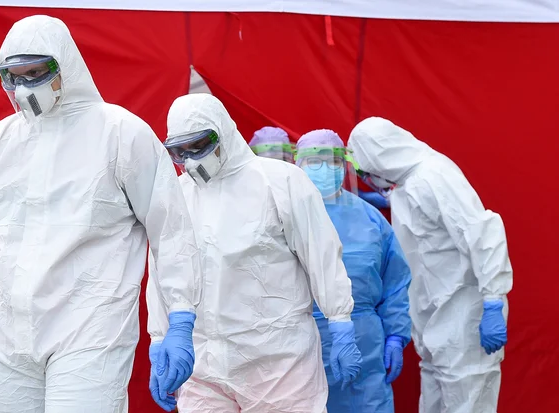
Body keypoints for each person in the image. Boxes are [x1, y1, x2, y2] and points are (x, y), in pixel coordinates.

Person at [0, 15, 201, 413]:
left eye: (36, 72)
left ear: (64, 65)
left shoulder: (120, 133)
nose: (25, 87)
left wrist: (178, 319)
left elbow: (171, 230)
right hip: (7, 335)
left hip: (90, 330)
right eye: (15, 76)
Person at [146, 94, 362, 413]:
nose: (191, 160)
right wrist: (159, 339)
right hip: (205, 364)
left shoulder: (280, 182)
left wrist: (340, 320)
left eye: (200, 145)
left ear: (223, 131)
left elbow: (322, 256)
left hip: (279, 361)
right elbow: (162, 272)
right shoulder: (178, 197)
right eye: (180, 151)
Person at [347, 117, 512, 413]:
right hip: (436, 318)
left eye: (367, 171)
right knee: (436, 395)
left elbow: (482, 234)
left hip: (464, 313)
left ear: (379, 158)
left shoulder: (434, 176)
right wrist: (388, 199)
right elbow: (424, 222)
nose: (367, 178)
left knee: (468, 397)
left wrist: (492, 301)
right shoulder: (408, 181)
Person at [296, 129, 412, 413]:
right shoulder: (283, 216)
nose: (324, 168)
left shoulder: (370, 218)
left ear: (344, 164)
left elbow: (394, 281)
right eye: (314, 161)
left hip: (364, 343)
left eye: (332, 160)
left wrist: (396, 336)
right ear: (297, 165)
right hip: (299, 344)